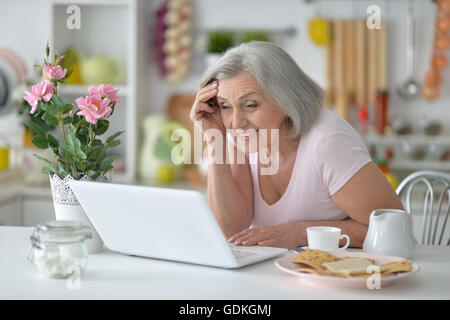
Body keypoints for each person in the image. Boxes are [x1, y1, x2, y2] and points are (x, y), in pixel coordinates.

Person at [189, 41, 403, 249]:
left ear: (286, 100)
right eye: (226, 106)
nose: (236, 122)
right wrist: (214, 137)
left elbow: (394, 231)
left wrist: (301, 233)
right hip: (276, 273)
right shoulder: (239, 136)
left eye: (251, 105)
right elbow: (231, 230)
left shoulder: (327, 142)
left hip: (344, 276)